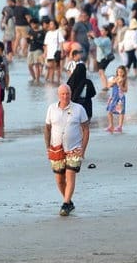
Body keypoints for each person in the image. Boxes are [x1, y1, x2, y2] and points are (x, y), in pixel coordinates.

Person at [44, 84, 90, 217]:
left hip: (74, 149)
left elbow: (86, 129)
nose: (65, 96)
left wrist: (83, 149)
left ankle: (65, 204)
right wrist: (48, 147)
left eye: (67, 94)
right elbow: (47, 128)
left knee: (70, 175)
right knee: (59, 179)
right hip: (56, 148)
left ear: (71, 94)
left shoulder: (79, 109)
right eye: (63, 94)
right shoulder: (52, 108)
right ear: (58, 95)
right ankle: (68, 201)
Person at [105, 66, 128, 132]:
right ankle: (111, 125)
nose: (120, 73)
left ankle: (120, 126)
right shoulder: (114, 78)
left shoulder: (124, 80)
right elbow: (108, 86)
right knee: (109, 111)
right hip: (113, 97)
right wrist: (113, 82)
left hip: (120, 97)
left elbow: (126, 90)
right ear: (117, 72)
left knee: (121, 112)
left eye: (121, 72)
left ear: (124, 73)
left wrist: (120, 85)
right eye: (118, 72)